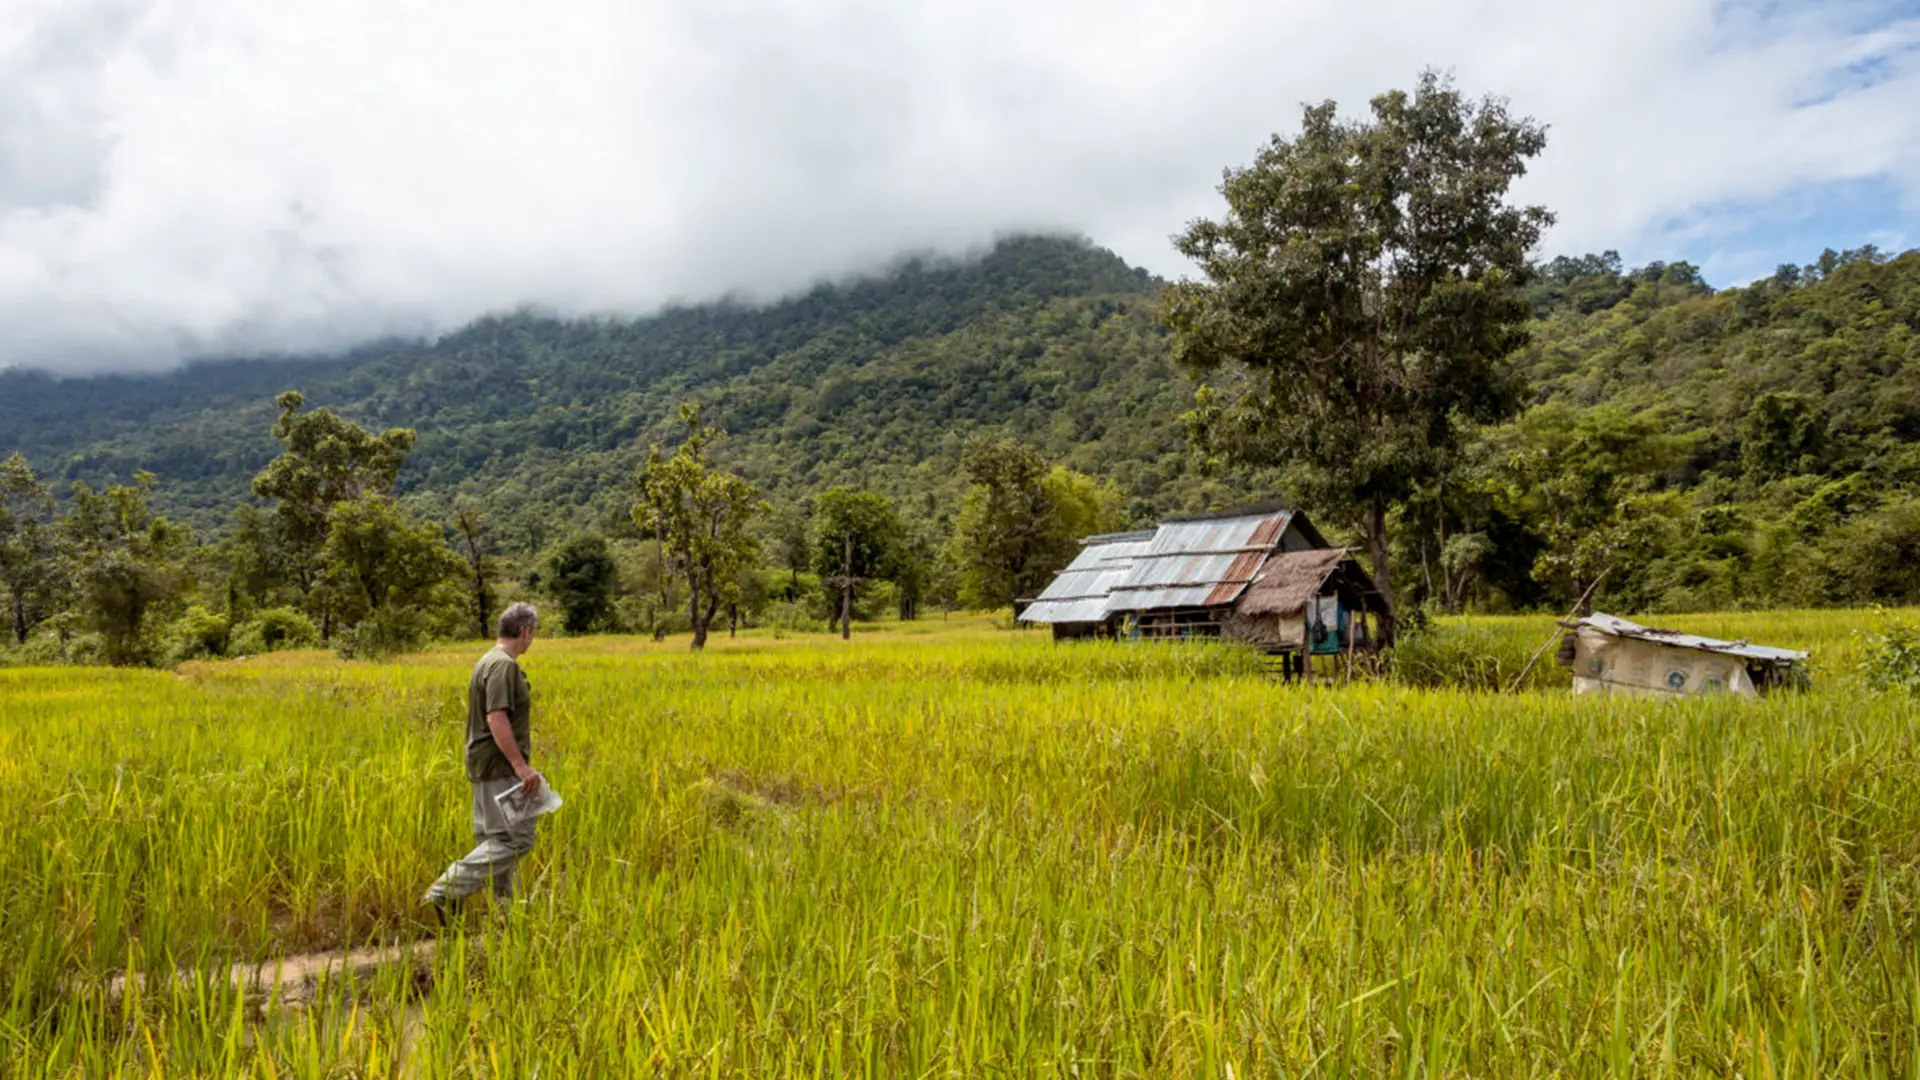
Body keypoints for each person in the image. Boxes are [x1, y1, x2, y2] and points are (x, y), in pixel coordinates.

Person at [424, 601, 543, 917]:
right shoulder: (503, 665)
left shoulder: (488, 661)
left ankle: (509, 915)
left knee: (495, 841)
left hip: (485, 765)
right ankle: (447, 890)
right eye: (533, 635)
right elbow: (496, 718)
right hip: (499, 767)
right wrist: (520, 766)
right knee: (517, 839)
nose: (532, 641)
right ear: (526, 632)